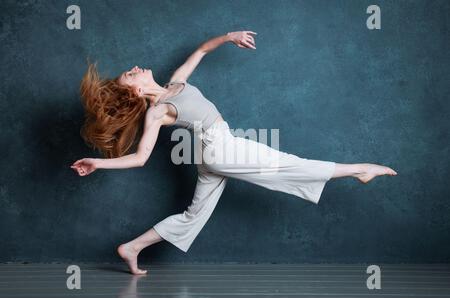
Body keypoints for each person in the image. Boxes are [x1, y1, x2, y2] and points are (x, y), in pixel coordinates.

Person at [71, 31, 397, 275]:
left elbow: (200, 50)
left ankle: (132, 247)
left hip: (211, 153)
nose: (136, 67)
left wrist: (230, 37)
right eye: (131, 74)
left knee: (193, 216)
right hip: (220, 148)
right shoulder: (156, 111)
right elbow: (141, 158)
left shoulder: (176, 83)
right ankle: (359, 169)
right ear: (138, 90)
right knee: (284, 164)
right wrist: (98, 162)